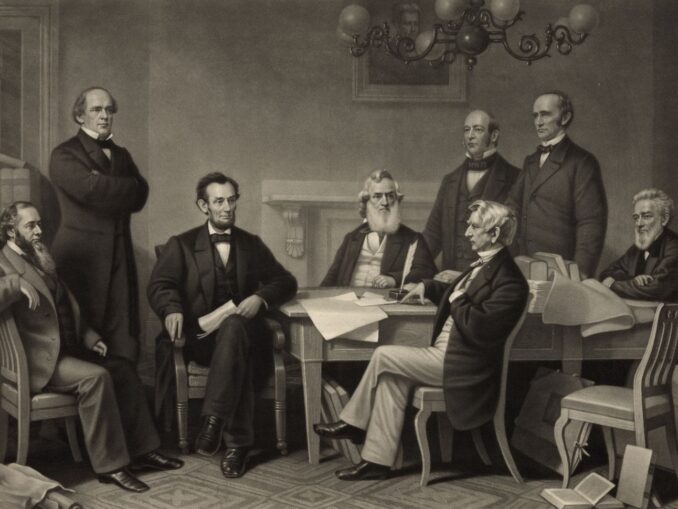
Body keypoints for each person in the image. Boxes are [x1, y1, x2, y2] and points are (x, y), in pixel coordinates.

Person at [314, 200, 528, 480]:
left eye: (474, 227)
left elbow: (480, 328)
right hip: (449, 356)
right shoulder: (486, 265)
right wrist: (427, 286)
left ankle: (353, 424)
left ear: (495, 233)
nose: (467, 233)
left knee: (383, 355)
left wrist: (458, 299)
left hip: (463, 368)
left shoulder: (510, 280)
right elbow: (460, 292)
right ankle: (376, 462)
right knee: (391, 379)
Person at [0, 202, 182, 493]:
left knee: (123, 368)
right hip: (40, 362)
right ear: (11, 231)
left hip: (66, 350)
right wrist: (13, 284)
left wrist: (89, 337)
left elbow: (66, 305)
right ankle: (111, 467)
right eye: (30, 225)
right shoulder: (4, 262)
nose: (39, 230)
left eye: (39, 223)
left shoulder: (38, 255)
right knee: (96, 378)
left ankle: (144, 450)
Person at [147, 172, 297, 479]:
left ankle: (214, 421)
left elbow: (285, 281)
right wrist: (171, 308)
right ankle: (237, 445)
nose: (227, 208)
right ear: (204, 206)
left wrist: (260, 298)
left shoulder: (251, 244)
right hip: (200, 338)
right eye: (219, 202)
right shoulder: (182, 244)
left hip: (245, 336)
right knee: (234, 344)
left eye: (231, 200)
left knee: (235, 328)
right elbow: (161, 285)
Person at [49, 87, 148, 363]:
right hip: (80, 261)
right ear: (80, 116)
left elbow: (141, 194)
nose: (104, 116)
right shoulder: (64, 154)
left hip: (120, 259)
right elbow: (91, 191)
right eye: (96, 110)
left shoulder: (122, 155)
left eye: (108, 110)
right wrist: (124, 186)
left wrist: (101, 183)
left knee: (122, 344)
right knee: (82, 340)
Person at [506, 91, 607, 278]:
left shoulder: (582, 161)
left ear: (565, 117)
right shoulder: (530, 161)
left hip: (561, 269)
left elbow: (591, 223)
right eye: (535, 116)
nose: (538, 122)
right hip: (525, 264)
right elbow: (512, 204)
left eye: (545, 114)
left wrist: (580, 274)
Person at [423, 110, 520, 281]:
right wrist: (407, 274)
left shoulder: (515, 178)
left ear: (494, 135)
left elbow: (511, 243)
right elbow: (432, 235)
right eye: (467, 130)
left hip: (490, 283)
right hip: (448, 281)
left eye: (478, 129)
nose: (470, 135)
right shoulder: (450, 181)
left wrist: (472, 277)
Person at [321, 170, 436, 288]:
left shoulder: (413, 239)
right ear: (367, 201)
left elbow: (427, 273)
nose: (385, 202)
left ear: (397, 200)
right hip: (348, 297)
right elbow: (332, 277)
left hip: (385, 298)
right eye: (377, 196)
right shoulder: (352, 238)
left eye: (390, 196)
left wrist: (394, 279)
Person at [600, 188, 678, 301]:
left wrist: (612, 285)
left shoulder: (674, 247)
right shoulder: (637, 249)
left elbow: (657, 288)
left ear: (664, 219)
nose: (639, 224)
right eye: (636, 217)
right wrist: (634, 279)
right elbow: (607, 273)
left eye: (646, 216)